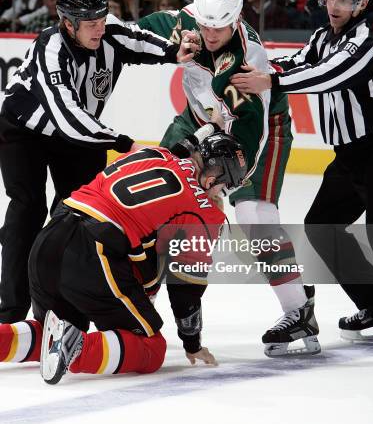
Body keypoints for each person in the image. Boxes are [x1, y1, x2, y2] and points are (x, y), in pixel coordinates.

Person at [230, 0, 373, 358]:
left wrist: (270, 82)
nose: (333, 5)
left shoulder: (363, 41)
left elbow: (328, 75)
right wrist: (261, 71)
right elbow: (298, 62)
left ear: (361, 5)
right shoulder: (323, 36)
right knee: (322, 227)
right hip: (349, 154)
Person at [138, 0, 321, 357]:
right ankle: (140, 302)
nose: (208, 34)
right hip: (198, 117)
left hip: (258, 129)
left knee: (254, 214)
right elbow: (131, 33)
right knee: (158, 198)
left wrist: (220, 183)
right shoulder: (188, 21)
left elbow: (247, 142)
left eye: (217, 27)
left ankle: (298, 310)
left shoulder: (245, 63)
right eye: (203, 25)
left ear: (235, 20)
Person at [0, 0, 196, 325]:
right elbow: (66, 116)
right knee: (27, 208)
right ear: (67, 22)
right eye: (91, 24)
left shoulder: (107, 30)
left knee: (77, 213)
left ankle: (59, 305)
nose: (100, 29)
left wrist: (173, 51)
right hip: (24, 131)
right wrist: (121, 142)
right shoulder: (50, 46)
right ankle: (11, 309)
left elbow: (137, 40)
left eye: (102, 21)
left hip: (78, 133)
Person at [0, 133, 247, 383]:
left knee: (47, 335)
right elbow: (185, 287)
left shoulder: (156, 153)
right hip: (92, 251)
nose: (220, 194)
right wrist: (192, 342)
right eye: (223, 187)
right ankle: (75, 347)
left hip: (49, 238)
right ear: (212, 179)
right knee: (151, 347)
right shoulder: (204, 213)